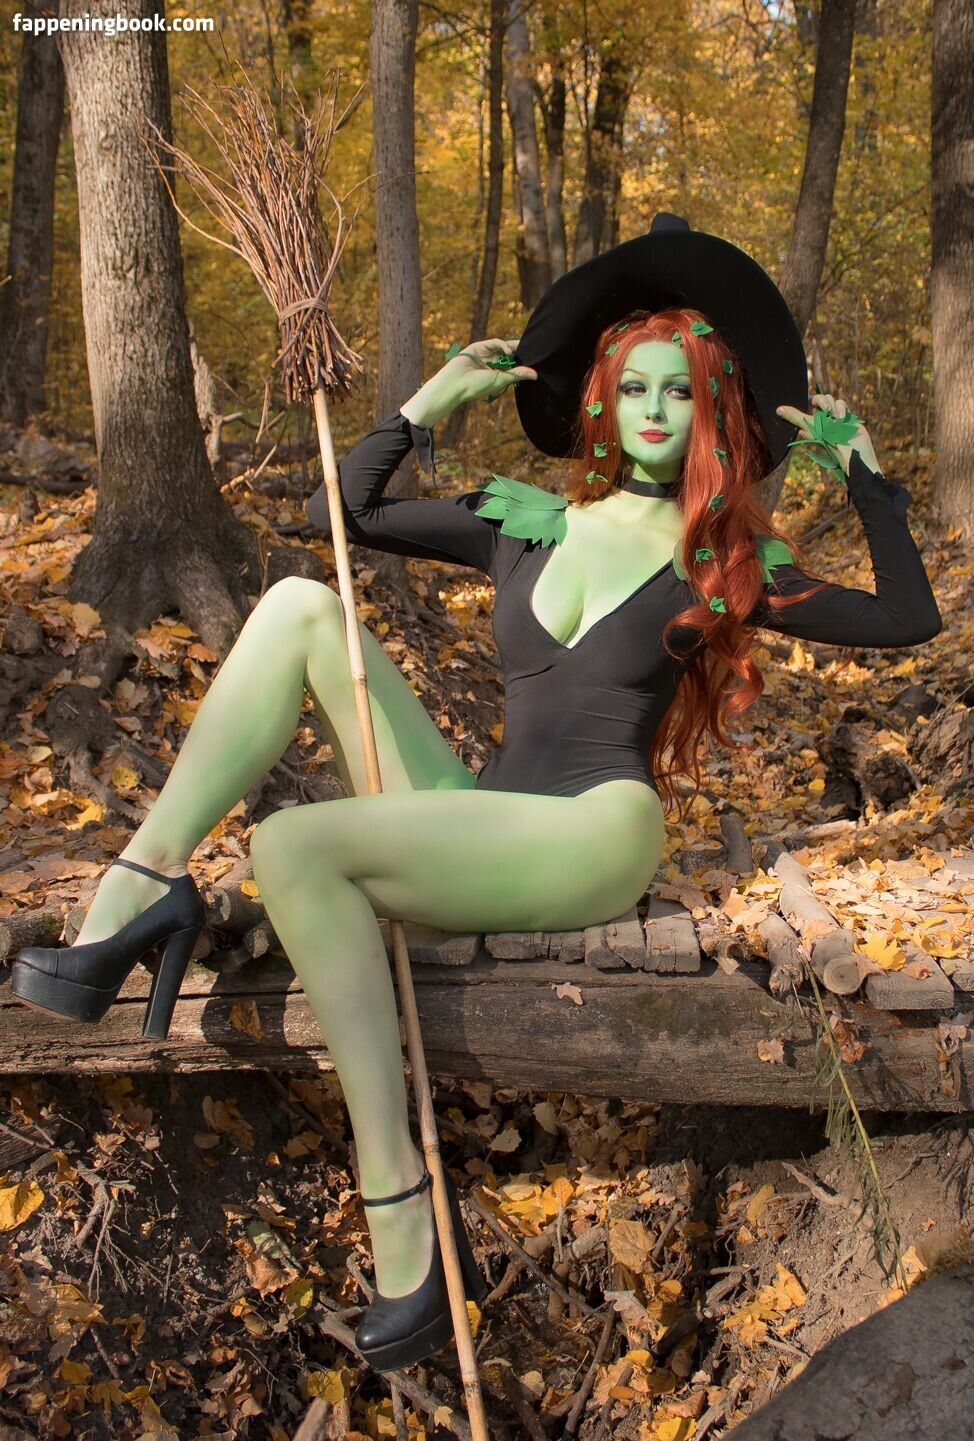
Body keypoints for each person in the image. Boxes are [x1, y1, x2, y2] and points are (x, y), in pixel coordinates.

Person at [12, 214, 942, 1372]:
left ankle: (398, 1201)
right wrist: (426, 405)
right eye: (634, 387)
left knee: (294, 845)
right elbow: (343, 513)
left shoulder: (719, 563)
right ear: (600, 403)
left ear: (713, 412)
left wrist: (865, 481)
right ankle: (141, 883)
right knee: (299, 607)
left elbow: (907, 618)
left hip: (593, 829)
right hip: (486, 806)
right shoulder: (526, 521)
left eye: (681, 391)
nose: (655, 410)